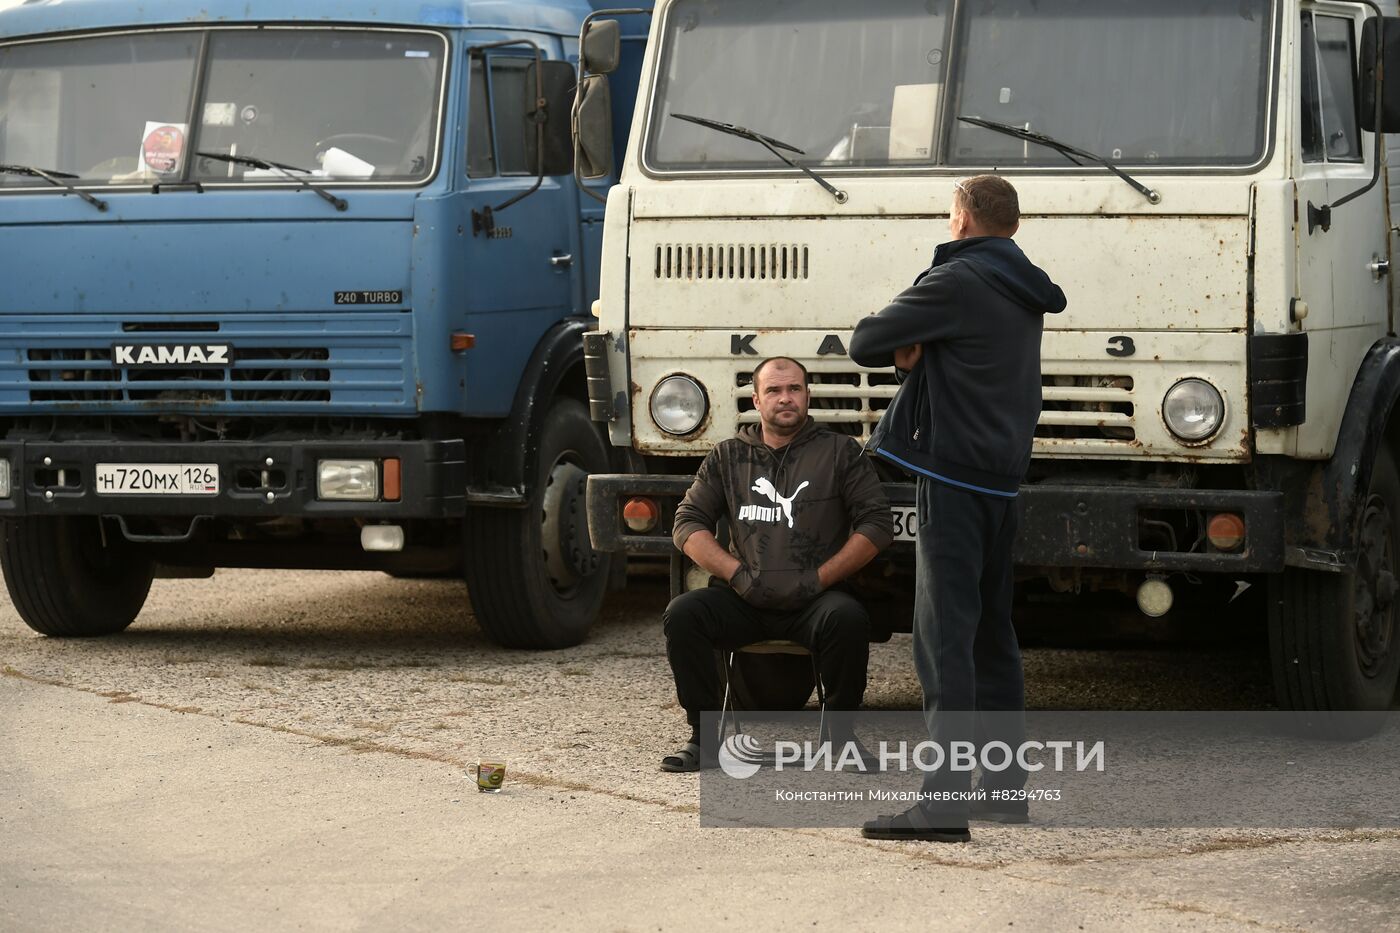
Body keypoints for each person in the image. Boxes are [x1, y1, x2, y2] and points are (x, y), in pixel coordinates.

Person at [850, 175, 1067, 841]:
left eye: (951, 216)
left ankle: (942, 804)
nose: (949, 227)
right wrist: (921, 348)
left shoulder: (956, 281)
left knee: (944, 640)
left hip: (952, 478)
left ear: (966, 221)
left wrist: (906, 348)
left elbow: (866, 340)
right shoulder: (1022, 286)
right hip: (1001, 480)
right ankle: (1003, 788)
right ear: (1014, 225)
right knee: (990, 635)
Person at [659, 356, 894, 772]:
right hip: (745, 597)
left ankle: (841, 742)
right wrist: (736, 574)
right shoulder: (728, 456)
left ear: (807, 396)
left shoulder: (840, 453)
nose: (785, 398)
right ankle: (704, 738)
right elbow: (686, 523)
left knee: (848, 617)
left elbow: (876, 525)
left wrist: (820, 578)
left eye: (795, 389)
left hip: (815, 600)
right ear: (756, 399)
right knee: (684, 613)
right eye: (774, 390)